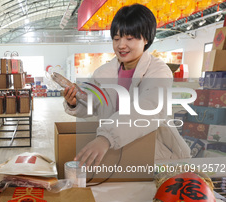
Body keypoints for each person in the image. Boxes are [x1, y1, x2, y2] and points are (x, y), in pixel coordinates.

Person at [63, 4, 190, 167]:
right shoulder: (104, 72)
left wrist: (106, 137)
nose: (121, 45)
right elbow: (93, 104)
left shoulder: (158, 71)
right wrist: (74, 101)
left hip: (151, 154)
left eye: (129, 38)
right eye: (116, 39)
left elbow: (148, 108)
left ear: (146, 38)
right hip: (113, 153)